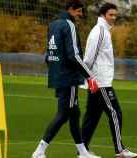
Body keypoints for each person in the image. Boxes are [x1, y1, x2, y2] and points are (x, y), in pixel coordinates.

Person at [32, 1, 100, 158]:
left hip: (58, 75)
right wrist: (89, 76)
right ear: (70, 10)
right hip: (68, 78)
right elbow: (74, 55)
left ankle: (83, 152)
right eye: (79, 11)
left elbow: (49, 54)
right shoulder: (69, 25)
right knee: (63, 114)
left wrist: (55, 72)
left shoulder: (53, 24)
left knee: (74, 113)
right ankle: (40, 150)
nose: (80, 15)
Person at [81, 2, 137, 158]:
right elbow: (88, 58)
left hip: (100, 81)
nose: (113, 17)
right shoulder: (99, 32)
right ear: (102, 15)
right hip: (101, 82)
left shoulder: (104, 31)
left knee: (91, 117)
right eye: (110, 15)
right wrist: (89, 78)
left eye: (115, 15)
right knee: (115, 113)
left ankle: (82, 150)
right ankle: (119, 150)